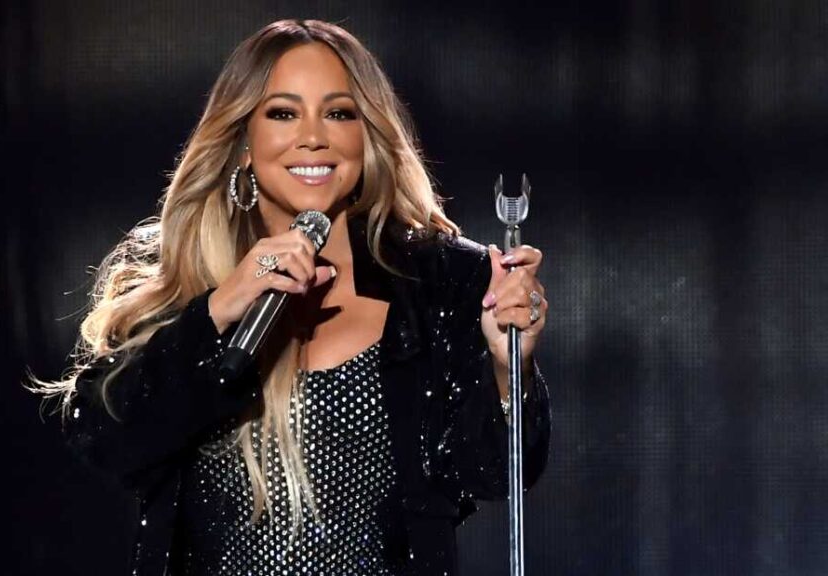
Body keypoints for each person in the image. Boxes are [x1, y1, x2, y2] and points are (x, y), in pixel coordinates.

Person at [35, 19, 551, 576]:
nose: (314, 136)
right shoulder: (184, 283)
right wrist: (218, 310)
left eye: (338, 113)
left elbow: (490, 475)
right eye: (283, 113)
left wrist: (507, 370)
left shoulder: (444, 280)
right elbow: (106, 439)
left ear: (367, 135)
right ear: (242, 141)